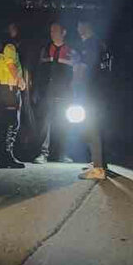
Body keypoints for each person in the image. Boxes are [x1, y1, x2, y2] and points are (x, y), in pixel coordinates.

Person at [32, 22, 77, 163]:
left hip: (65, 92)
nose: (52, 33)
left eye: (55, 31)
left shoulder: (71, 51)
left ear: (63, 32)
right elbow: (40, 72)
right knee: (45, 122)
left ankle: (61, 154)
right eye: (51, 31)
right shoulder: (45, 49)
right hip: (48, 92)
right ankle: (43, 154)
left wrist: (73, 90)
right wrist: (37, 90)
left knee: (64, 122)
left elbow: (76, 73)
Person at [0, 22, 27, 168]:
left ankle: (1, 156)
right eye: (14, 28)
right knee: (12, 123)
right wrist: (20, 80)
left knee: (1, 124)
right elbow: (11, 64)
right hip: (9, 89)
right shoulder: (9, 47)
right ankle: (8, 156)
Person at [74, 19, 108, 180]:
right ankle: (97, 162)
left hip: (90, 92)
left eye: (79, 25)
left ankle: (98, 168)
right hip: (99, 92)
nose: (77, 28)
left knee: (91, 127)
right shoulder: (100, 44)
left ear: (85, 26)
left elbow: (83, 69)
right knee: (91, 127)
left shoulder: (89, 45)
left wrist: (75, 86)